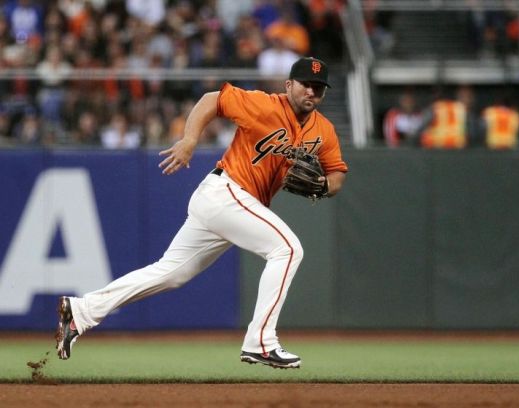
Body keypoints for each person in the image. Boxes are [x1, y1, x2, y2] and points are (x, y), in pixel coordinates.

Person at [55, 57, 348, 369]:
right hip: (227, 193)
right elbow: (212, 100)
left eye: (318, 88)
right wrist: (190, 139)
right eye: (306, 84)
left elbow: (337, 174)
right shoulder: (262, 105)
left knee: (170, 273)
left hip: (232, 205)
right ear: (289, 84)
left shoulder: (324, 131)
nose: (311, 92)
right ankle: (261, 341)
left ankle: (82, 311)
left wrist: (322, 186)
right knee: (288, 249)